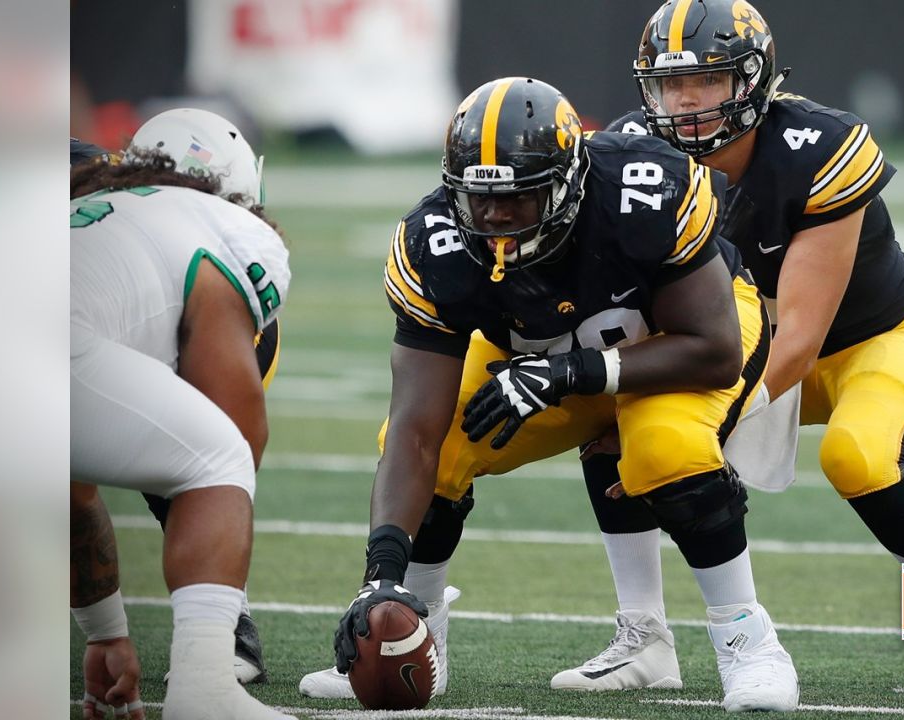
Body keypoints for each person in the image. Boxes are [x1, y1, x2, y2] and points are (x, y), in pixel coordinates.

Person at [299, 76, 798, 713]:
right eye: (480, 200)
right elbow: (414, 431)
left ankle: (750, 646)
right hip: (543, 352)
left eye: (518, 197)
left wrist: (568, 374)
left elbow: (712, 350)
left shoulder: (641, 193)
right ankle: (417, 637)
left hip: (679, 340)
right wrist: (380, 577)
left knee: (663, 447)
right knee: (444, 447)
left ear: (566, 181)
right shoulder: (436, 246)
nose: (497, 216)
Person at [551, 0, 904, 698]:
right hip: (743, 347)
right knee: (616, 412)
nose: (685, 101)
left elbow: (799, 337)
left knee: (858, 454)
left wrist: (713, 429)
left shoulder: (819, 146)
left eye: (708, 81)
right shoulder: (634, 156)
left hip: (875, 339)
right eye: (669, 83)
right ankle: (643, 638)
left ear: (754, 79)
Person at [71, 108, 295, 720]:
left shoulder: (85, 207)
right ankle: (205, 686)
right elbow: (236, 436)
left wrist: (106, 632)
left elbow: (69, 484)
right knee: (219, 455)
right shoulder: (225, 227)